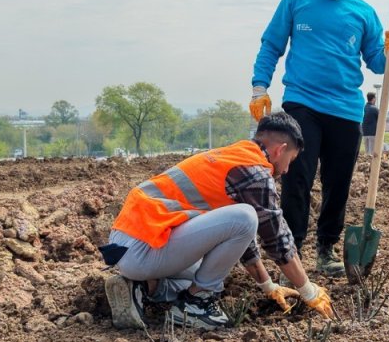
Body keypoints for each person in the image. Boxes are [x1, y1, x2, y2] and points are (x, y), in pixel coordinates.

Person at [249, 0, 389, 277]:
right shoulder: (296, 0)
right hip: (301, 102)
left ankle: (327, 247)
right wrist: (259, 87)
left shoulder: (364, 12)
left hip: (346, 109)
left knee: (339, 182)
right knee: (296, 178)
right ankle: (291, 250)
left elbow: (378, 65)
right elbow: (271, 44)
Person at [100, 113, 335, 330]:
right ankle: (195, 305)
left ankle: (143, 288)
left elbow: (241, 242)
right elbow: (276, 238)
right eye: (290, 160)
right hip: (144, 247)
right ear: (280, 150)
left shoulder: (233, 158)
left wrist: (268, 286)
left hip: (130, 245)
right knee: (244, 219)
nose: (286, 170)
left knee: (213, 277)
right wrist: (308, 290)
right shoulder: (255, 172)